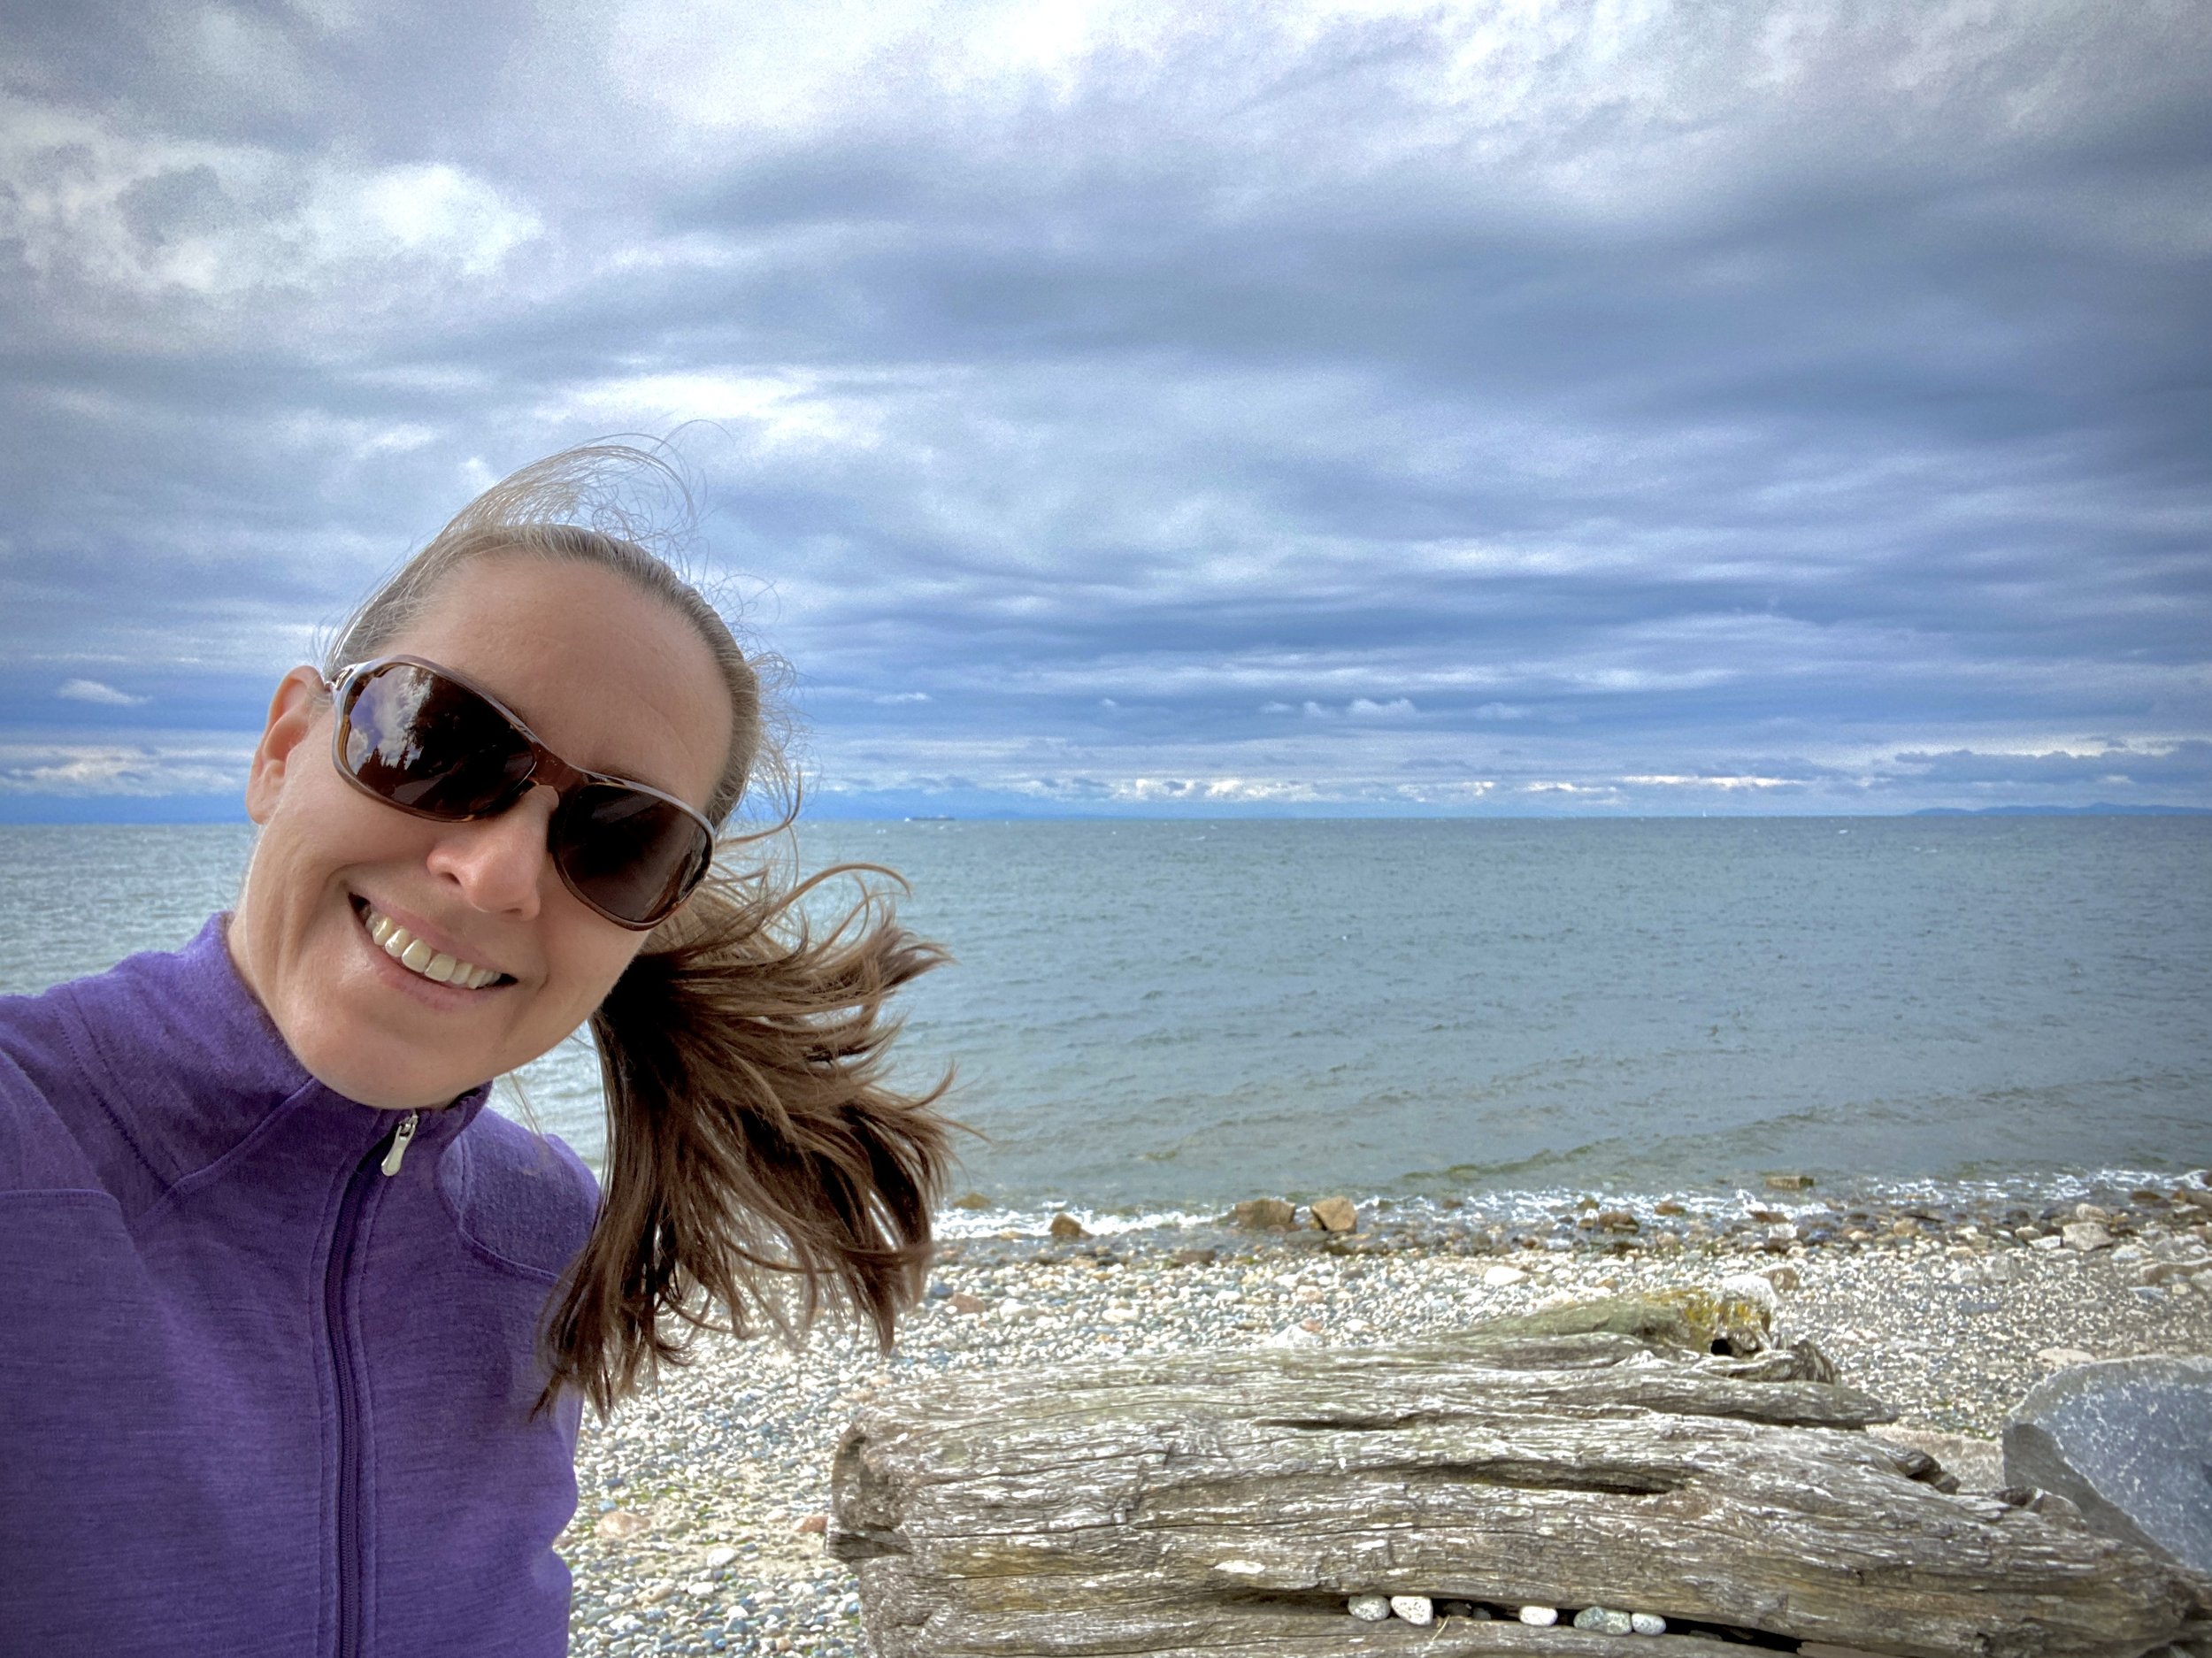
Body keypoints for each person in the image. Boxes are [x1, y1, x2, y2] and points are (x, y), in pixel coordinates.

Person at [0, 445, 954, 1655]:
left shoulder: (539, 1229)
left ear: (651, 918)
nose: (496, 872)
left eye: (620, 840)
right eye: (436, 741)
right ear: (285, 746)